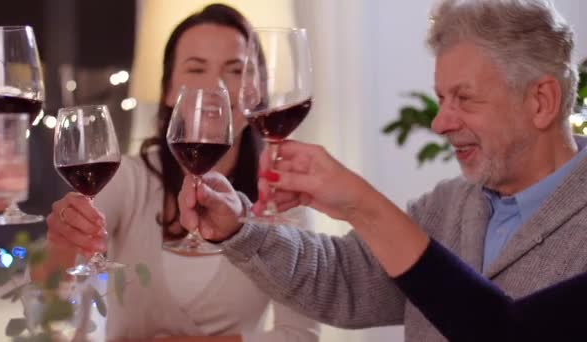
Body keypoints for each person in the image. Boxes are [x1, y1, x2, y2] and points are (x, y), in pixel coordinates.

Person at [175, 0, 587, 341]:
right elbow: (340, 278)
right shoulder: (448, 205)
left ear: (541, 102)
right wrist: (239, 229)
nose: (440, 123)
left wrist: (362, 204)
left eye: (464, 98)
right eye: (441, 98)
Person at [32, 4, 319, 342]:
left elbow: (302, 335)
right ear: (168, 90)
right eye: (197, 69)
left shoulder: (282, 198)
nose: (216, 87)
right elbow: (44, 291)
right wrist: (63, 241)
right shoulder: (129, 179)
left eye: (236, 70)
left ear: (256, 91)